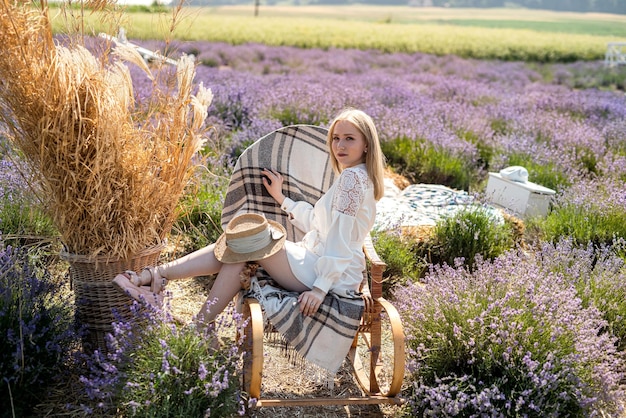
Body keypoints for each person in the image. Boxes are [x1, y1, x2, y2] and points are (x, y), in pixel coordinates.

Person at [113, 108, 386, 327]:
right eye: (336, 138)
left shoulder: (352, 179)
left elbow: (339, 239)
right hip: (319, 261)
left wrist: (320, 288)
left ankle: (156, 278)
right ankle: (194, 321)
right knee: (242, 248)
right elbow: (319, 222)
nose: (340, 144)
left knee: (250, 241)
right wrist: (282, 198)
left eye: (349, 138)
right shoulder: (355, 177)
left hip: (328, 274)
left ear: (365, 145)